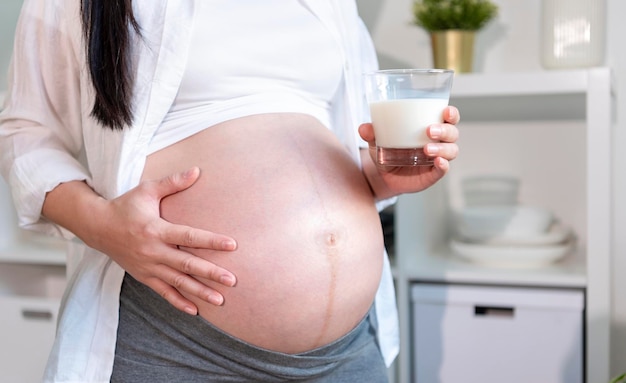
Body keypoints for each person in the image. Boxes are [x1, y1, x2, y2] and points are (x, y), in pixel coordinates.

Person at [0, 1, 459, 382]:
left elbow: (345, 148)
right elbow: (25, 133)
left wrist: (386, 177)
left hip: (346, 352)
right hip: (176, 342)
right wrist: (104, 227)